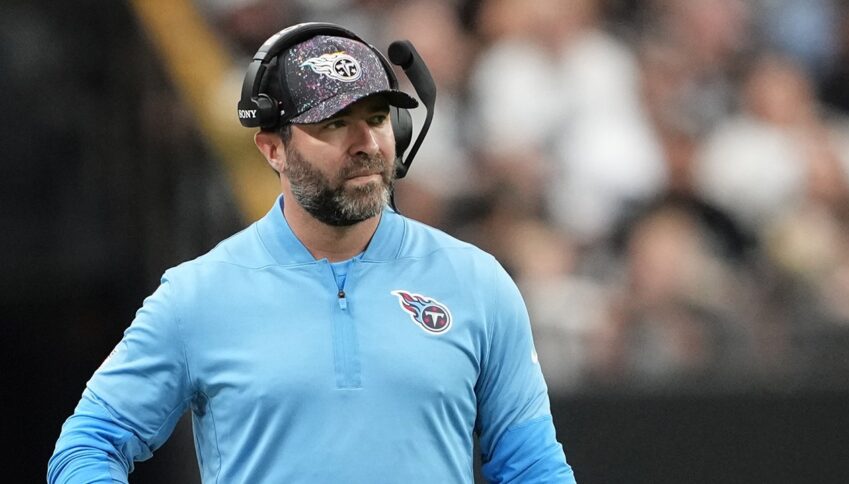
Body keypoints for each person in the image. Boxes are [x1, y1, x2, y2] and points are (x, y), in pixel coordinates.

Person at [47, 23, 575, 483]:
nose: (366, 143)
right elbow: (87, 446)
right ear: (273, 148)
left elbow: (533, 467)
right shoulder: (198, 295)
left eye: (377, 118)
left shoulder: (477, 282)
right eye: (334, 124)